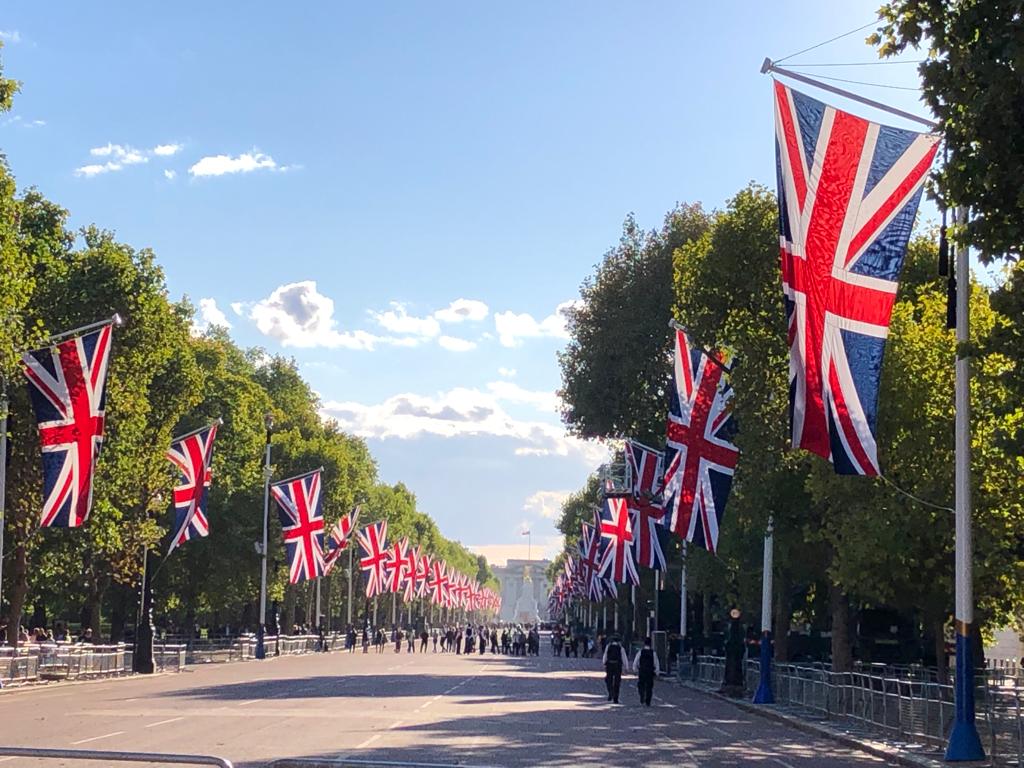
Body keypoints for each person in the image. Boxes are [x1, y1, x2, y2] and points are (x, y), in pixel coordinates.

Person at [632, 636, 660, 706]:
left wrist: (635, 669)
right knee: (649, 686)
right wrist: (657, 672)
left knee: (641, 685)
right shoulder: (653, 653)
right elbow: (656, 663)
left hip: (642, 671)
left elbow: (636, 661)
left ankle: (642, 696)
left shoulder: (640, 652)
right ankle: (648, 701)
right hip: (650, 672)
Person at [602, 634, 629, 704]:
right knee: (617, 681)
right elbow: (624, 658)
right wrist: (626, 667)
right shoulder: (621, 648)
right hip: (617, 665)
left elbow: (605, 655)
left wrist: (604, 662)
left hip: (610, 664)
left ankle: (610, 692)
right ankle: (615, 697)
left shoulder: (608, 646)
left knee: (608, 679)